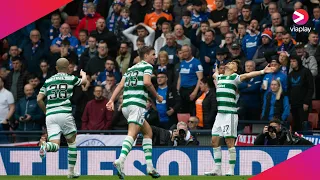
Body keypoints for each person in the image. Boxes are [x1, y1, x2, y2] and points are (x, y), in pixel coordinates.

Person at [205, 60, 275, 176]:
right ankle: (217, 169)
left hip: (230, 114)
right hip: (220, 114)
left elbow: (248, 75)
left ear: (235, 69)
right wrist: (216, 68)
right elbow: (214, 74)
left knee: (229, 141)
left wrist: (263, 71)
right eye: (230, 61)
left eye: (233, 63)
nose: (230, 62)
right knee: (214, 140)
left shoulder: (235, 77)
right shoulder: (220, 77)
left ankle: (231, 170)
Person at [106, 46, 163, 179]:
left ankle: (150, 167)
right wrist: (157, 96)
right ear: (146, 56)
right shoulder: (147, 67)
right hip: (137, 105)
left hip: (126, 105)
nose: (155, 57)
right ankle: (120, 160)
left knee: (148, 132)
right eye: (153, 54)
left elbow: (120, 85)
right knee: (132, 133)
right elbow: (147, 83)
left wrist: (111, 100)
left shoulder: (131, 69)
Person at [37, 58, 87, 178]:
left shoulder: (48, 81)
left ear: (56, 68)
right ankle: (71, 172)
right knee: (72, 142)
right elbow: (84, 82)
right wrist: (83, 75)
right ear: (68, 67)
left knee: (55, 145)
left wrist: (46, 111)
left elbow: (39, 99)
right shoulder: (71, 78)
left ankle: (45, 145)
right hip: (64, 113)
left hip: (51, 115)